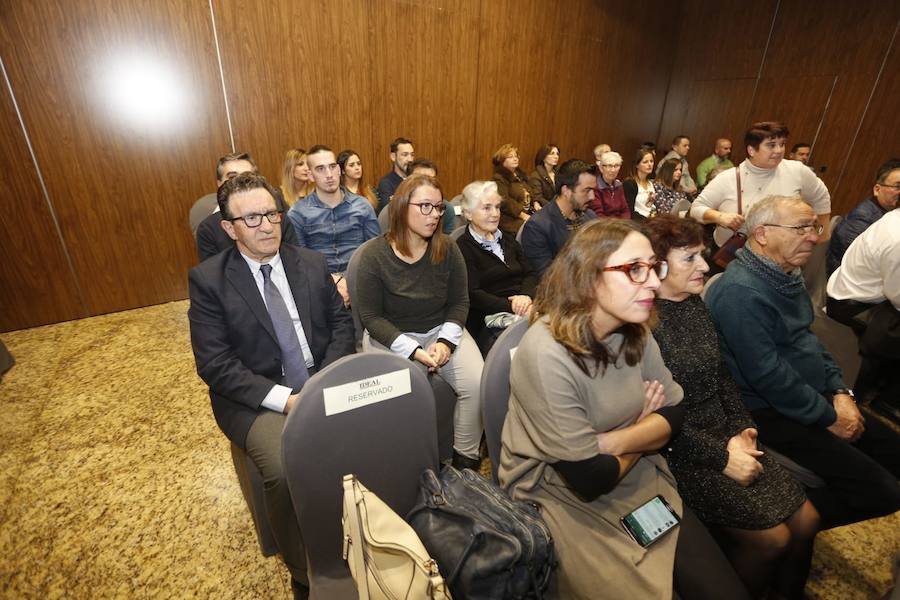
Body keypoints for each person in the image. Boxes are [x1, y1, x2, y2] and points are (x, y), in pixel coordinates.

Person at [500, 219, 749, 600]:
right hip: (557, 494)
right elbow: (590, 479)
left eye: (653, 267)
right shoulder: (546, 353)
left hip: (636, 477)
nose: (652, 282)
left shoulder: (637, 328)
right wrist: (646, 428)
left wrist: (615, 438)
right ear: (588, 277)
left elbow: (676, 413)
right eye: (634, 269)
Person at [188, 172, 355, 600]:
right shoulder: (209, 281)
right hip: (255, 398)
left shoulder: (310, 263)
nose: (266, 225)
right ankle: (302, 570)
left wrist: (324, 381)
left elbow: (340, 324)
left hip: (319, 379)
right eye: (252, 219)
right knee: (283, 468)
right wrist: (287, 400)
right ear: (229, 228)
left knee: (372, 433)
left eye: (272, 214)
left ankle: (365, 533)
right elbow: (215, 364)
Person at [645, 214, 819, 598]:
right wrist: (722, 454)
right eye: (689, 258)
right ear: (655, 267)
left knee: (807, 521)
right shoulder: (642, 326)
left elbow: (721, 375)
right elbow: (655, 422)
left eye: (701, 256)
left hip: (726, 434)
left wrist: (743, 429)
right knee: (771, 540)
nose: (705, 266)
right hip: (680, 450)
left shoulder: (693, 305)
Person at [705, 195, 900, 529]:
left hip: (809, 395)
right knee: (882, 491)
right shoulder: (741, 292)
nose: (813, 236)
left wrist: (841, 392)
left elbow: (807, 342)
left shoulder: (784, 275)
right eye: (801, 228)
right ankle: (787, 520)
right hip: (768, 409)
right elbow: (768, 376)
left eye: (814, 227)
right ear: (763, 234)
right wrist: (828, 416)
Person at [355, 174, 484, 470]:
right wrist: (412, 350)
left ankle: (466, 464)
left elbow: (459, 302)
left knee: (477, 384)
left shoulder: (448, 248)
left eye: (438, 208)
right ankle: (412, 467)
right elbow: (371, 317)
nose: (434, 215)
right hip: (391, 336)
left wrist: (445, 342)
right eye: (425, 206)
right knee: (407, 395)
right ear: (401, 206)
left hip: (440, 329)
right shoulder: (374, 255)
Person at [691, 121, 832, 248]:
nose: (779, 150)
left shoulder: (797, 171)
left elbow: (821, 196)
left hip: (780, 257)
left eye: (782, 144)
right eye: (771, 145)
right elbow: (696, 209)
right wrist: (720, 217)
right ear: (751, 150)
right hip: (731, 256)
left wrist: (823, 232)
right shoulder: (728, 178)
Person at [827, 207, 900, 422]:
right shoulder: (897, 237)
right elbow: (898, 298)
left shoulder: (895, 216)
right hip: (855, 308)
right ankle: (890, 400)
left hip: (866, 296)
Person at [286, 145, 379, 304]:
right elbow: (299, 262)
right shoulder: (298, 213)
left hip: (360, 280)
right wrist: (332, 282)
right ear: (311, 175)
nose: (329, 175)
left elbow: (376, 251)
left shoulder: (362, 206)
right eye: (320, 169)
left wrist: (349, 281)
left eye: (332, 167)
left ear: (339, 170)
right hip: (320, 285)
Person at [455, 180, 537, 354]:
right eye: (486, 208)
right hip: (488, 320)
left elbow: (530, 273)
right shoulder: (462, 247)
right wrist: (514, 306)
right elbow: (474, 294)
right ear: (468, 214)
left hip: (525, 307)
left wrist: (526, 297)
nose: (495, 214)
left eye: (497, 207)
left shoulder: (507, 239)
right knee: (527, 351)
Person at [196, 151, 298, 262]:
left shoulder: (277, 218)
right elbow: (213, 274)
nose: (240, 184)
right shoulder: (208, 229)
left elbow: (296, 260)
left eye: (247, 177)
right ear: (219, 183)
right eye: (232, 177)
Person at [520, 159, 598, 279]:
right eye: (586, 191)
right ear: (566, 191)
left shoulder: (590, 217)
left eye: (593, 190)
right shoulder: (538, 226)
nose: (592, 196)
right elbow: (548, 277)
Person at [827, 159, 900, 275]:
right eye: (898, 187)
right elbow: (858, 264)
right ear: (877, 189)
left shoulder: (888, 214)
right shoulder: (862, 218)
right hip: (849, 285)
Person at [492, 143, 539, 238]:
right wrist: (522, 214)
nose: (515, 158)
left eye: (516, 156)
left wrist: (535, 202)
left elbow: (529, 191)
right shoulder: (499, 178)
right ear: (502, 161)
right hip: (509, 219)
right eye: (510, 157)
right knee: (535, 229)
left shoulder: (520, 176)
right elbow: (504, 201)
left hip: (527, 213)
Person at [407, 158, 455, 235]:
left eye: (432, 179)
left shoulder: (446, 209)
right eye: (421, 179)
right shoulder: (394, 209)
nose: (428, 184)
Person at [376, 137, 415, 214]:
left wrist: (398, 200)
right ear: (393, 157)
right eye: (405, 155)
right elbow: (389, 212)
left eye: (412, 155)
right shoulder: (386, 183)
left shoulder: (417, 179)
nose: (410, 159)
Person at [590, 151, 630, 219]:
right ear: (601, 168)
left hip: (621, 224)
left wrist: (624, 224)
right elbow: (599, 215)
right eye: (609, 166)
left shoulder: (619, 185)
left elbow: (625, 210)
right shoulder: (595, 187)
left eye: (616, 166)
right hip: (605, 226)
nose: (613, 170)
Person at [623, 148, 656, 221]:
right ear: (637, 165)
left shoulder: (650, 183)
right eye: (645, 162)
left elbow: (652, 206)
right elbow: (629, 211)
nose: (650, 164)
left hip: (652, 219)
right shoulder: (630, 183)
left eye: (651, 161)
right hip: (638, 221)